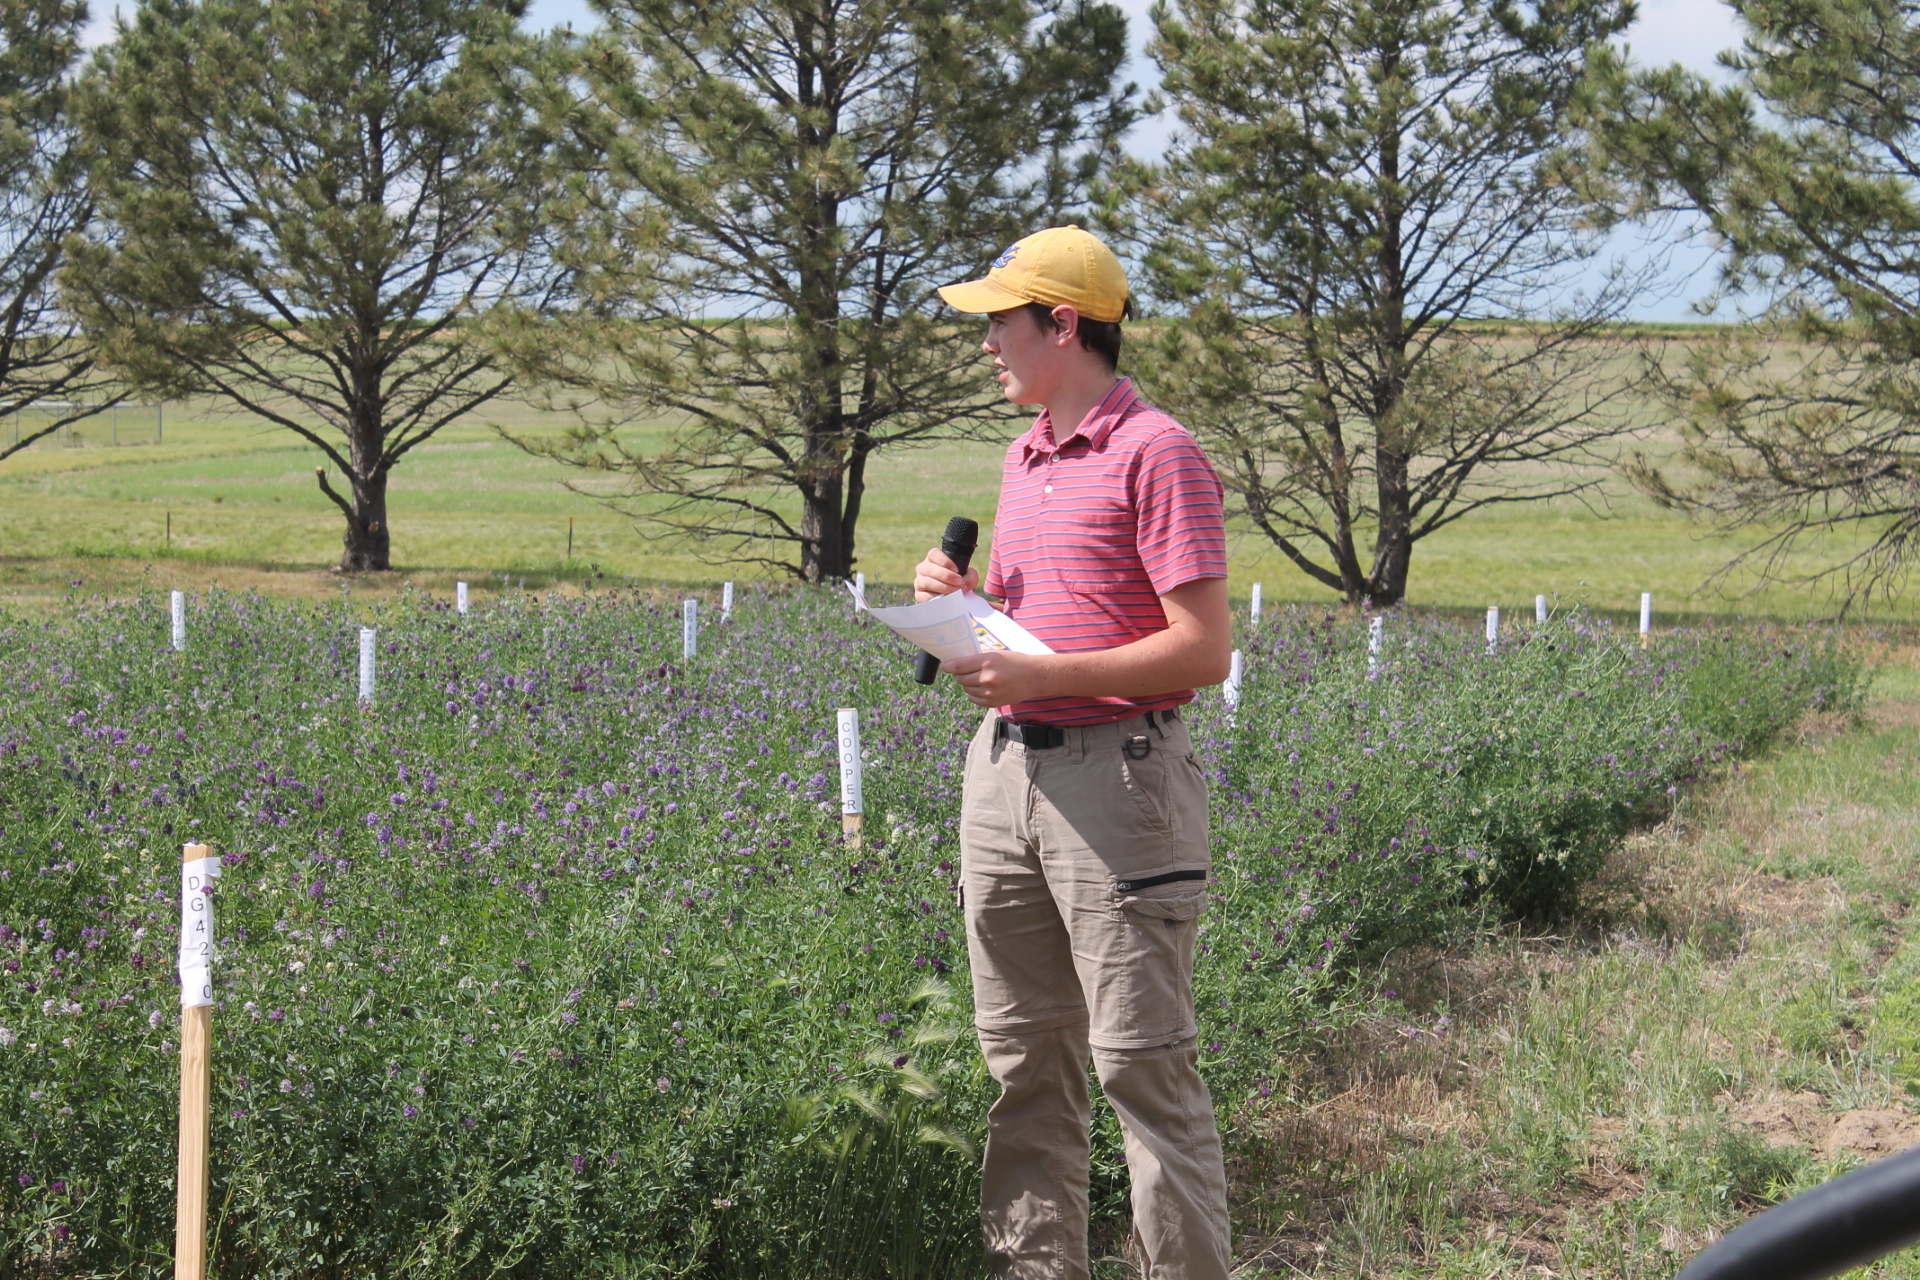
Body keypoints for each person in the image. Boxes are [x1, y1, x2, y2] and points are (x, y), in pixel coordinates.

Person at [914, 225, 1234, 1280]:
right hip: (1005, 777)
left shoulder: (1159, 452)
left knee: (1143, 1070)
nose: (988, 346)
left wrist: (1044, 676)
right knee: (1024, 1067)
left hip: (1119, 779)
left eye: (1000, 324)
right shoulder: (1025, 454)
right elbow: (1038, 615)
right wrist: (967, 611)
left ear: (1063, 323)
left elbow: (1204, 646)